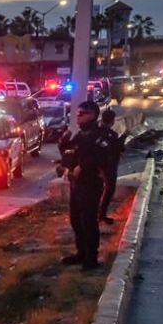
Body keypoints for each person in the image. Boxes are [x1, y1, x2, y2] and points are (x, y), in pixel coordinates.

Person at [56, 100, 115, 270]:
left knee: (89, 221)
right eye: (77, 114)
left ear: (94, 115)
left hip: (91, 184)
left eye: (83, 114)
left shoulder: (101, 135)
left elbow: (103, 157)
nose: (79, 117)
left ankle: (91, 258)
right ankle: (81, 252)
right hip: (77, 185)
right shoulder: (80, 136)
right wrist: (63, 144)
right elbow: (70, 154)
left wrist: (83, 166)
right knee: (76, 220)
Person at [97, 108, 124, 225]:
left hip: (101, 166)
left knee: (102, 191)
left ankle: (100, 214)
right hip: (107, 166)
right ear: (112, 121)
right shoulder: (108, 134)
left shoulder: (98, 132)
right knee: (108, 190)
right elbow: (117, 148)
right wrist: (124, 137)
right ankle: (101, 215)